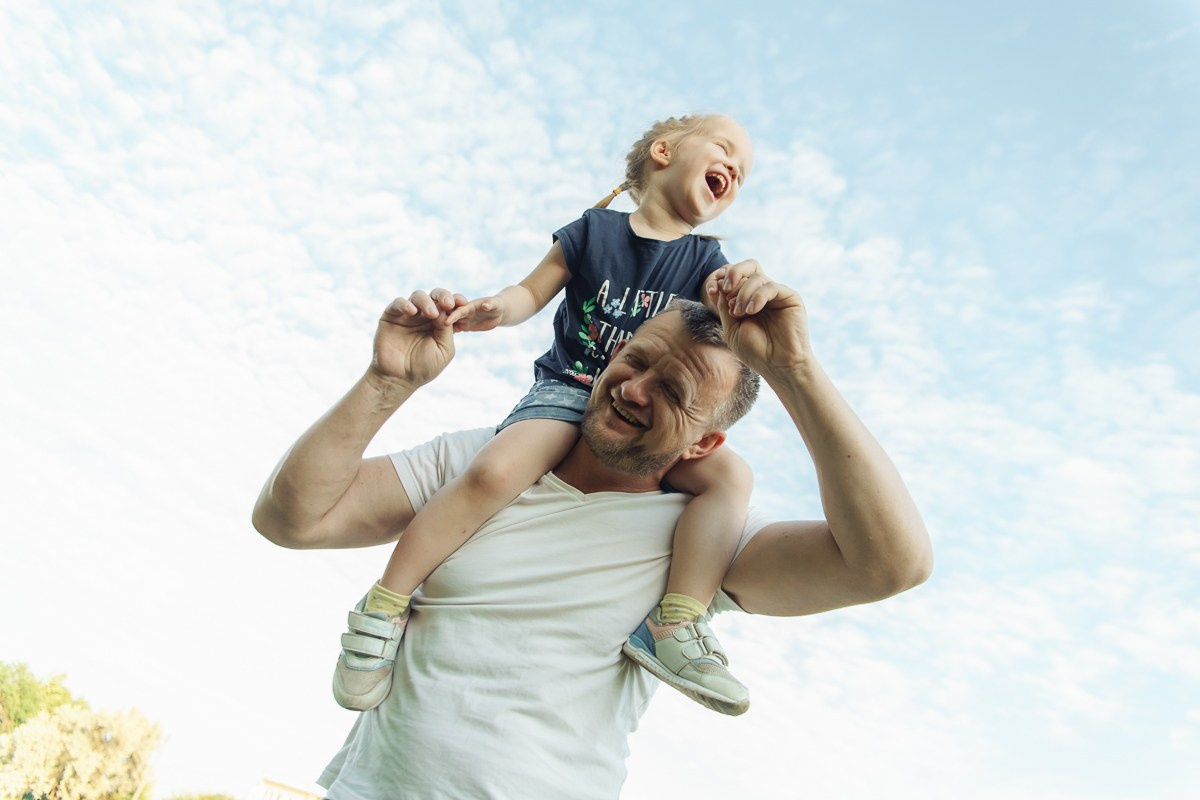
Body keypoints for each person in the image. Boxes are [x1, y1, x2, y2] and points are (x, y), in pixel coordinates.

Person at [252, 275, 932, 800]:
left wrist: (796, 369)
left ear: (707, 442)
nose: (633, 390)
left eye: (672, 390)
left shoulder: (705, 541)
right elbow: (291, 519)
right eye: (634, 361)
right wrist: (386, 382)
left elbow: (891, 565)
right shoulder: (480, 463)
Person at [331, 113, 762, 716]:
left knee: (731, 478)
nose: (735, 171)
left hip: (647, 414)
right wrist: (493, 309)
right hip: (570, 391)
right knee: (493, 475)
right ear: (664, 152)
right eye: (725, 151)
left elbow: (729, 309)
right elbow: (531, 292)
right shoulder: (592, 232)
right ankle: (384, 606)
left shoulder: (705, 259)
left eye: (743, 174)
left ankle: (675, 620)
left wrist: (749, 283)